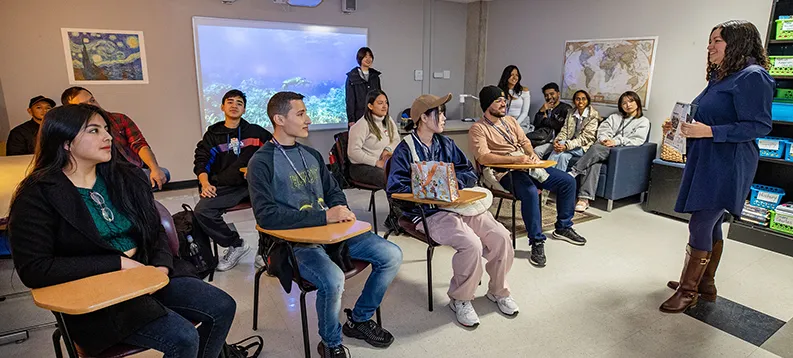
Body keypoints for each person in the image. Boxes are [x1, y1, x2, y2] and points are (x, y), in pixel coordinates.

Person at [8, 104, 236, 358]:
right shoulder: (37, 195)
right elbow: (35, 269)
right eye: (93, 131)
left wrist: (161, 267)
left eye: (106, 129)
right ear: (65, 142)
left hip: (147, 271)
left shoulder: (126, 177)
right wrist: (118, 264)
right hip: (96, 293)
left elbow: (155, 230)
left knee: (223, 306)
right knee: (183, 337)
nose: (107, 137)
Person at [248, 91, 402, 358]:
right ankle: (330, 343)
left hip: (333, 234)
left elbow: (333, 191)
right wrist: (323, 217)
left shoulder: (311, 154)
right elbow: (266, 217)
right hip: (294, 243)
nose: (308, 119)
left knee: (392, 254)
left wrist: (340, 209)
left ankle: (359, 320)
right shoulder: (261, 162)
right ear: (279, 119)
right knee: (332, 279)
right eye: (301, 114)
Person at [660, 20, 773, 313]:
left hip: (729, 163)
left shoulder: (753, 76)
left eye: (717, 41)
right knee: (709, 222)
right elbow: (705, 114)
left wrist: (709, 131)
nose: (709, 47)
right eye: (710, 40)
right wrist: (680, 126)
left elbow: (758, 125)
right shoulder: (722, 76)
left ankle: (688, 291)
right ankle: (705, 285)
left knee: (701, 221)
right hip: (707, 158)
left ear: (736, 43)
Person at [388, 93, 518, 327]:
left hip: (461, 206)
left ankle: (499, 291)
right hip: (428, 213)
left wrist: (452, 182)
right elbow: (395, 189)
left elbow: (468, 171)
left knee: (501, 237)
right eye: (440, 113)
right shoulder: (404, 150)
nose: (445, 118)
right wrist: (427, 187)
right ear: (424, 118)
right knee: (471, 244)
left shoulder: (446, 144)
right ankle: (460, 299)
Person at [469, 86, 585, 268]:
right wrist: (515, 159)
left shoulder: (510, 121)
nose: (503, 103)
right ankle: (537, 241)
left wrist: (531, 155)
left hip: (527, 166)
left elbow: (525, 142)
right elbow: (483, 156)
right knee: (531, 192)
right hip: (504, 171)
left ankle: (563, 227)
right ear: (487, 105)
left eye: (503, 100)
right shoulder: (478, 128)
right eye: (498, 101)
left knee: (567, 181)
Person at [194, 89, 272, 272]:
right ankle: (236, 245)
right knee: (202, 211)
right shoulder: (213, 134)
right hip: (225, 185)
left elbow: (273, 153)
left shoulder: (255, 132)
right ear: (222, 107)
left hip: (253, 183)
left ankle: (265, 250)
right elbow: (201, 160)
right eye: (230, 102)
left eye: (239, 103)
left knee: (268, 207)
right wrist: (205, 183)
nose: (234, 105)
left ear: (244, 109)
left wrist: (258, 170)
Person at [61, 87, 170, 190]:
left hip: (130, 170)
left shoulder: (119, 119)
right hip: (101, 173)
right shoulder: (73, 130)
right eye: (84, 105)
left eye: (92, 100)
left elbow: (139, 144)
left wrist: (155, 169)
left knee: (163, 173)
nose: (92, 106)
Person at [568, 91, 650, 212]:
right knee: (594, 163)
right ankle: (584, 199)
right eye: (624, 103)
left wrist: (616, 142)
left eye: (631, 101)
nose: (628, 105)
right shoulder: (615, 117)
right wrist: (604, 139)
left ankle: (574, 171)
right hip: (604, 147)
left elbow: (637, 140)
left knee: (595, 149)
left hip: (620, 152)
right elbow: (603, 129)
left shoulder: (643, 122)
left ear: (637, 102)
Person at [347, 89, 400, 188]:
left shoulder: (388, 120)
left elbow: (396, 140)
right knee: (391, 178)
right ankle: (397, 203)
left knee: (406, 173)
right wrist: (376, 162)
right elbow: (353, 152)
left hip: (384, 162)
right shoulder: (362, 125)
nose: (385, 106)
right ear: (370, 106)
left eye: (386, 103)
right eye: (380, 103)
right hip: (362, 167)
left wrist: (387, 149)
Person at [546, 90, 600, 171]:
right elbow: (565, 130)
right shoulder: (571, 113)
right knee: (563, 156)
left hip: (584, 147)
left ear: (588, 101)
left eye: (583, 99)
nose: (581, 101)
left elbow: (585, 139)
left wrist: (566, 146)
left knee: (558, 150)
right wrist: (558, 140)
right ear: (574, 101)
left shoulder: (593, 116)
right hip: (569, 144)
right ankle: (561, 181)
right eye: (578, 99)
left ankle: (544, 174)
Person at [530, 83, 573, 159]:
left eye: (552, 94)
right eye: (546, 95)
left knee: (537, 151)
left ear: (558, 93)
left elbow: (559, 126)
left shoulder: (565, 108)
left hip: (555, 140)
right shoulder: (545, 107)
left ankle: (538, 170)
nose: (549, 97)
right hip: (542, 137)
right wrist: (541, 111)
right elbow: (536, 124)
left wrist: (545, 120)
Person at [345, 47, 382, 126]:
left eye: (370, 56)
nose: (368, 59)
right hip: (359, 116)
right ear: (360, 58)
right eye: (365, 57)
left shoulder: (375, 76)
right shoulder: (352, 77)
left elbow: (379, 97)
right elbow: (350, 100)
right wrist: (351, 119)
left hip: (374, 115)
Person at [497, 65, 532, 133]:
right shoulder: (499, 91)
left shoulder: (524, 91)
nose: (515, 77)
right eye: (512, 75)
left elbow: (524, 113)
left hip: (520, 122)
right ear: (506, 76)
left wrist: (514, 125)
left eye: (517, 75)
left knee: (514, 135)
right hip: (505, 121)